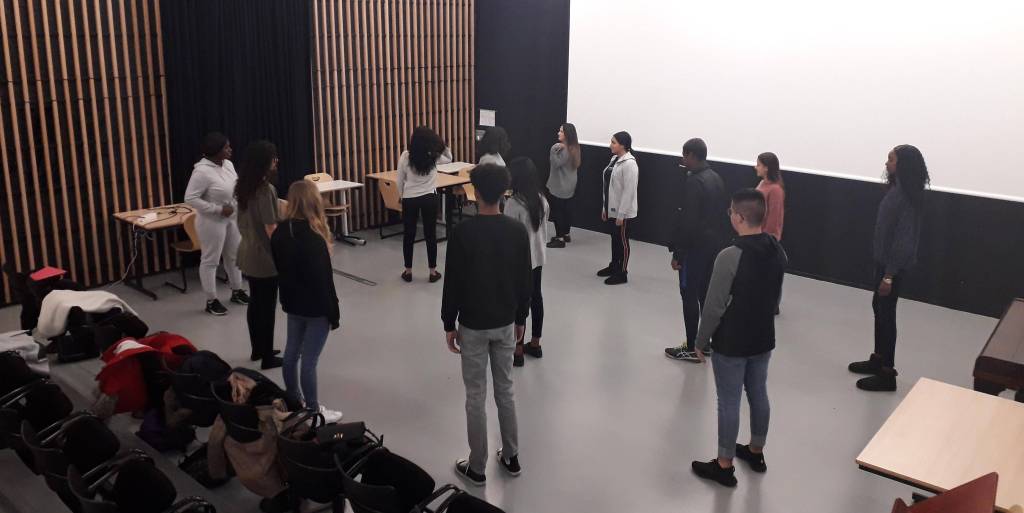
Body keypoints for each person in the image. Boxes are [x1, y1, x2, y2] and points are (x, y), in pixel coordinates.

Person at [441, 164, 533, 486]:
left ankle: (477, 466)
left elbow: (453, 282)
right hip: (505, 322)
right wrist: (521, 318)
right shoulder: (517, 231)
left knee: (475, 395)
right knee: (505, 389)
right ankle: (511, 456)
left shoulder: (462, 233)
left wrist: (448, 323)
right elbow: (525, 280)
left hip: (473, 324)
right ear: (504, 192)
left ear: (475, 192)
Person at [689, 188, 787, 488]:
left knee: (728, 401)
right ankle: (756, 451)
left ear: (740, 218)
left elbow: (714, 305)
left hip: (732, 341)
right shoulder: (777, 250)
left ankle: (724, 465)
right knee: (758, 393)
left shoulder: (729, 256)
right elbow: (775, 295)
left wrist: (700, 341)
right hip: (763, 337)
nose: (729, 215)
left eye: (731, 211)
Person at [848, 145, 928, 392]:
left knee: (886, 314)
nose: (887, 163)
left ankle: (886, 374)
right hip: (883, 263)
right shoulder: (897, 191)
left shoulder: (908, 198)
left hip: (892, 268)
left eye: (891, 159)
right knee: (879, 309)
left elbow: (904, 241)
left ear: (903, 165)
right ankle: (878, 359)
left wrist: (889, 275)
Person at [271, 180, 343, 423]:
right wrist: (333, 313)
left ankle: (294, 401)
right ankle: (313, 411)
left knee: (291, 354)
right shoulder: (314, 239)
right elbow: (324, 281)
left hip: (293, 304)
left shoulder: (280, 232)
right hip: (316, 308)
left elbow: (279, 268)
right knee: (309, 362)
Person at [665, 138, 730, 361]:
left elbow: (688, 222)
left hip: (694, 249)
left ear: (692, 155)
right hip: (712, 248)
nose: (682, 160)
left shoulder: (694, 182)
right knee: (704, 294)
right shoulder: (716, 178)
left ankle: (692, 347)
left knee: (689, 295)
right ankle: (705, 343)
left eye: (684, 155)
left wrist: (678, 253)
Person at [184, 132, 249, 316]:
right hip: (211, 222)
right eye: (226, 147)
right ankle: (211, 300)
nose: (230, 150)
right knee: (211, 260)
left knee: (234, 256)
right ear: (215, 151)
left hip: (232, 218)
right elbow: (190, 198)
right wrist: (217, 209)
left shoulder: (228, 164)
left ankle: (237, 290)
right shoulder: (201, 172)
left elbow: (235, 188)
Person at [235, 140, 284, 370]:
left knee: (255, 303)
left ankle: (258, 348)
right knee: (267, 307)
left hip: (247, 251)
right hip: (264, 256)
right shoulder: (266, 190)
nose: (276, 161)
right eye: (273, 158)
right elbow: (271, 228)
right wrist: (284, 253)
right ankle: (267, 357)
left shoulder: (244, 186)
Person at [504, 158, 549, 366]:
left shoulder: (513, 204)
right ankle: (536, 343)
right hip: (537, 257)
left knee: (519, 303)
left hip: (519, 261)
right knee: (536, 297)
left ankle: (518, 349)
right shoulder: (541, 200)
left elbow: (508, 234)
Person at [396, 127, 453, 283]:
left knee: (409, 234)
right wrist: (442, 144)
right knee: (430, 234)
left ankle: (408, 271)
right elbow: (449, 158)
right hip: (429, 198)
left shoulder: (405, 156)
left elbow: (399, 180)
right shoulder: (433, 156)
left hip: (410, 199)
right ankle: (432, 272)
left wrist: (402, 196)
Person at [596, 131, 638, 285]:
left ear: (623, 145)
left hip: (623, 213)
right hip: (612, 209)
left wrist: (621, 214)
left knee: (623, 242)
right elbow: (608, 186)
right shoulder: (614, 159)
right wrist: (605, 208)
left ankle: (622, 272)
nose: (610, 145)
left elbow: (629, 191)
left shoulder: (630, 164)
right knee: (615, 239)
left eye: (613, 142)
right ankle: (614, 265)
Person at [756, 152, 786, 314]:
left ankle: (772, 304)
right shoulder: (762, 183)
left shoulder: (775, 190)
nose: (756, 167)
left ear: (766, 168)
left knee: (769, 272)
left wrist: (766, 239)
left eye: (759, 164)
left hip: (766, 238)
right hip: (757, 235)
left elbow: (774, 218)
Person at [546, 123, 581, 248]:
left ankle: (559, 239)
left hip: (560, 185)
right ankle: (566, 234)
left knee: (558, 212)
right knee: (566, 210)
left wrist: (553, 149)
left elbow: (555, 163)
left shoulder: (562, 149)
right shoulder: (575, 147)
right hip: (570, 185)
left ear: (567, 134)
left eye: (561, 131)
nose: (558, 133)